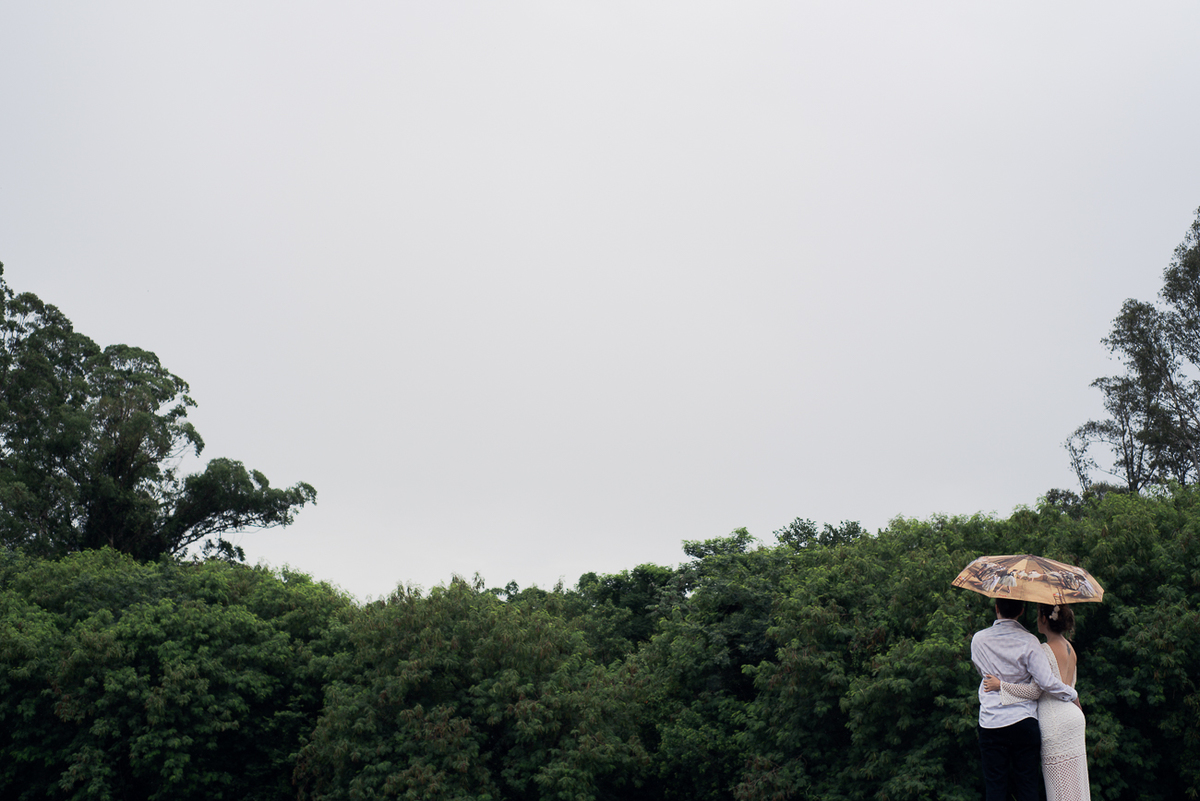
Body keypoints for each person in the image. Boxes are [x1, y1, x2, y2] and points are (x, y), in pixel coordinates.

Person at [971, 597, 1079, 801]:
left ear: (996, 607)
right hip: (1023, 721)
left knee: (995, 788)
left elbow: (982, 673)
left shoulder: (978, 639)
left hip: (991, 722)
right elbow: (1046, 682)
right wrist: (1072, 693)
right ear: (1021, 611)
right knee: (1027, 787)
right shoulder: (1030, 641)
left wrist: (1000, 682)